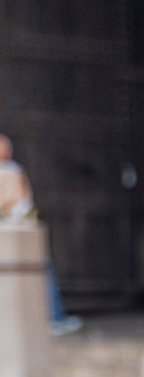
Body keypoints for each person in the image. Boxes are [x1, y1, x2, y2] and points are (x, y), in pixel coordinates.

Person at [0, 134, 81, 336]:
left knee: (40, 272)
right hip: (9, 231)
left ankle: (54, 319)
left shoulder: (11, 169)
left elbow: (12, 198)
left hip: (20, 229)